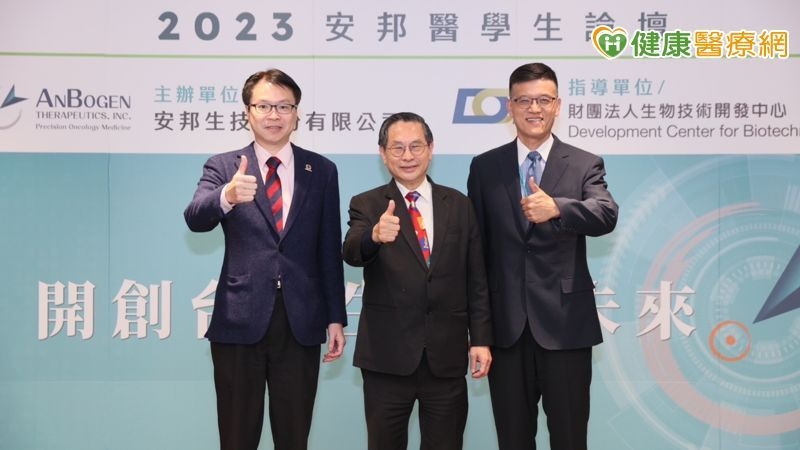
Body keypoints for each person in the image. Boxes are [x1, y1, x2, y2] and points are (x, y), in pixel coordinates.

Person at [184, 68, 347, 450]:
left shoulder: (321, 170)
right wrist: (226, 196)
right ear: (248, 112)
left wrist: (335, 317)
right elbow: (194, 218)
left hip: (300, 320)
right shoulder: (224, 166)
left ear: (297, 113)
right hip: (240, 319)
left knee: (294, 436)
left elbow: (328, 249)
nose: (274, 115)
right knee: (237, 436)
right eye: (264, 106)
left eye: (284, 106)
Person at [467, 62, 619, 450]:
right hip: (506, 330)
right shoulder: (485, 167)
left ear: (558, 105)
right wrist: (479, 333)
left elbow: (606, 214)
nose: (534, 109)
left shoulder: (584, 162)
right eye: (524, 101)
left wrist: (559, 208)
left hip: (566, 327)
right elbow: (476, 253)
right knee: (513, 440)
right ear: (510, 107)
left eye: (543, 100)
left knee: (570, 438)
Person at [343, 112, 493, 450]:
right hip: (387, 357)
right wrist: (374, 236)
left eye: (416, 146)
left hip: (446, 356)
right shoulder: (367, 203)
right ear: (383, 154)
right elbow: (351, 251)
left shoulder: (459, 204)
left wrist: (481, 340)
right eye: (397, 148)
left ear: (430, 149)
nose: (407, 156)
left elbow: (476, 279)